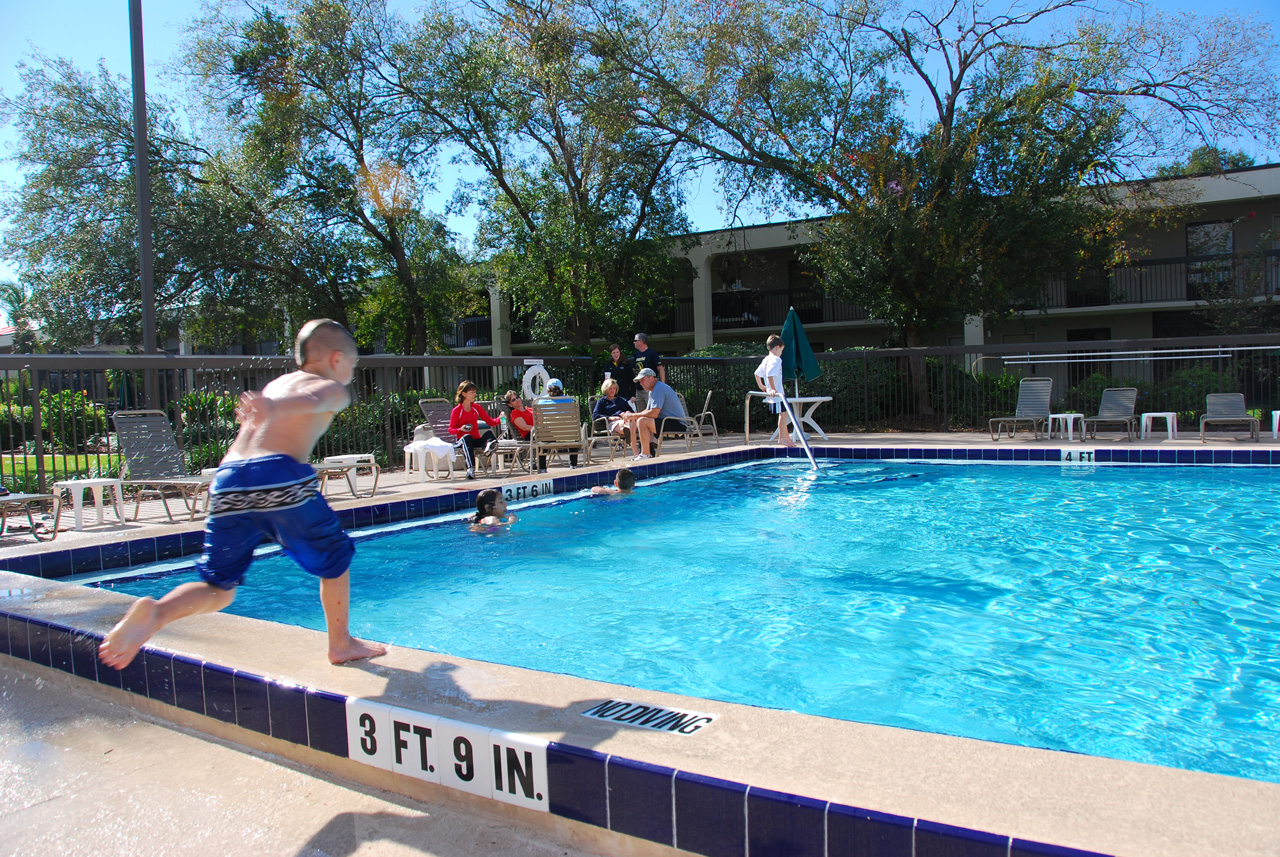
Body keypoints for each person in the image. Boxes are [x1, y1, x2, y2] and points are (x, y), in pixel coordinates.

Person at [98, 319, 387, 670]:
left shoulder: (276, 385)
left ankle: (156, 614)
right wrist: (277, 409)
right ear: (337, 359)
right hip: (277, 474)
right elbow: (315, 399)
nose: (351, 375)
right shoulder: (329, 386)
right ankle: (340, 643)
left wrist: (271, 406)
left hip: (229, 479)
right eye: (353, 367)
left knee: (219, 587)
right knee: (335, 557)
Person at [618, 367, 686, 460]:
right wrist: (633, 416)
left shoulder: (659, 388)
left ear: (652, 377)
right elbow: (648, 410)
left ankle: (645, 454)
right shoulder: (653, 390)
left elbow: (654, 413)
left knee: (642, 421)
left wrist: (633, 416)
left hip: (677, 423)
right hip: (668, 421)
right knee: (640, 420)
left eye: (643, 380)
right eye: (639, 381)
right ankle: (645, 452)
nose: (641, 383)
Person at [450, 380, 501, 479]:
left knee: (489, 433)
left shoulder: (476, 408)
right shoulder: (457, 410)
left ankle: (487, 447)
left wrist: (501, 418)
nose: (474, 395)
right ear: (464, 393)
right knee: (467, 437)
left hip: (475, 439)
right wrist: (461, 429)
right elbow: (451, 429)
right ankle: (470, 469)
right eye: (471, 392)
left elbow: (490, 422)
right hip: (462, 440)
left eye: (474, 392)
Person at [755, 334, 796, 448]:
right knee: (783, 414)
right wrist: (772, 389)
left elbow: (757, 374)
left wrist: (761, 386)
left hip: (774, 393)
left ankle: (785, 437)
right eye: (781, 350)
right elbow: (769, 375)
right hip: (777, 394)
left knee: (784, 413)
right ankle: (782, 438)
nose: (781, 353)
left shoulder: (766, 359)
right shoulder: (776, 359)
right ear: (777, 347)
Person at [533, 378, 579, 470]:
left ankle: (542, 468)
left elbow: (540, 422)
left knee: (541, 434)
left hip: (548, 437)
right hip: (567, 436)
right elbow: (573, 419)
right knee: (574, 432)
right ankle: (573, 465)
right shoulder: (570, 400)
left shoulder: (540, 401)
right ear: (561, 389)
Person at [591, 378, 634, 447]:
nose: (612, 391)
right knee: (626, 425)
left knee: (635, 422)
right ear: (606, 389)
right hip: (613, 422)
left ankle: (624, 437)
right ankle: (626, 438)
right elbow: (595, 415)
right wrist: (610, 418)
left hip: (625, 420)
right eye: (610, 389)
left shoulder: (621, 400)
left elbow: (632, 411)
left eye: (614, 388)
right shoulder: (602, 402)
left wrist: (626, 413)